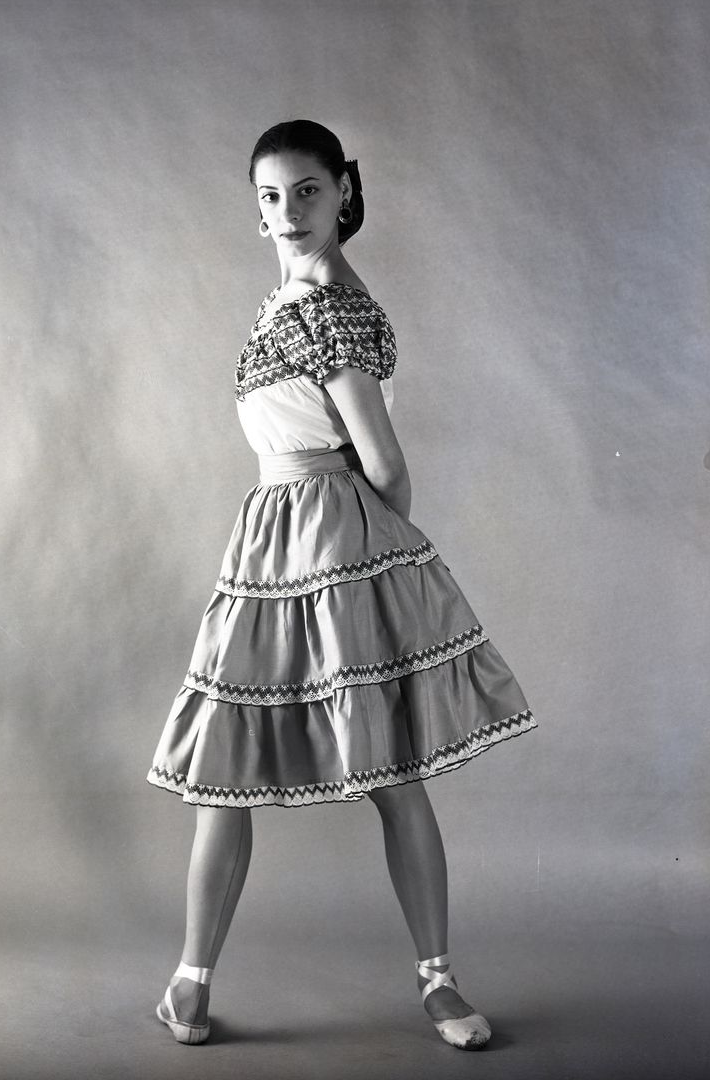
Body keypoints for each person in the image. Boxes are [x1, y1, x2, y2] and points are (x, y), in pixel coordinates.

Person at [146, 119, 537, 1051]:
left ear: (344, 192)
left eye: (307, 192)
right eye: (270, 198)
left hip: (326, 541)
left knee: (389, 768)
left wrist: (359, 553)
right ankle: (189, 984)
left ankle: (438, 984)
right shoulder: (284, 298)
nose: (287, 212)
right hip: (268, 539)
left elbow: (386, 466)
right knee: (230, 775)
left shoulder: (330, 306)